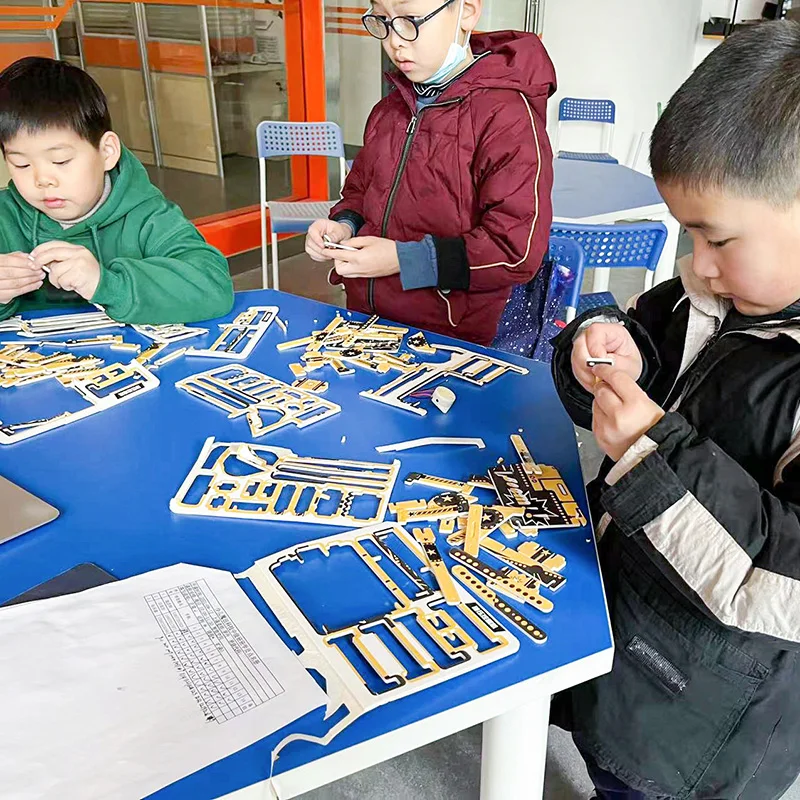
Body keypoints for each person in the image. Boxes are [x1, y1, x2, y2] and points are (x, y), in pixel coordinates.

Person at [550, 21, 800, 800]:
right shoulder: (706, 293)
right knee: (607, 765)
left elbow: (783, 577)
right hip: (630, 641)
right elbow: (629, 361)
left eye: (717, 238)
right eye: (686, 235)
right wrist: (597, 351)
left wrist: (648, 451)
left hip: (705, 720)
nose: (697, 264)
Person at [305, 0, 555, 346]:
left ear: (466, 11)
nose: (395, 40)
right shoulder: (388, 110)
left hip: (451, 341)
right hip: (367, 322)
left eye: (410, 20)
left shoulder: (507, 118)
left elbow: (516, 250)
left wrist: (401, 259)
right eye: (383, 21)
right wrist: (342, 225)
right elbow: (360, 191)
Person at [0, 57, 234, 324]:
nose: (42, 179)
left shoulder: (148, 216)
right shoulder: (5, 216)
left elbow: (213, 287)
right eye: (21, 164)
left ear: (107, 152)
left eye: (61, 161)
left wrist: (107, 283)